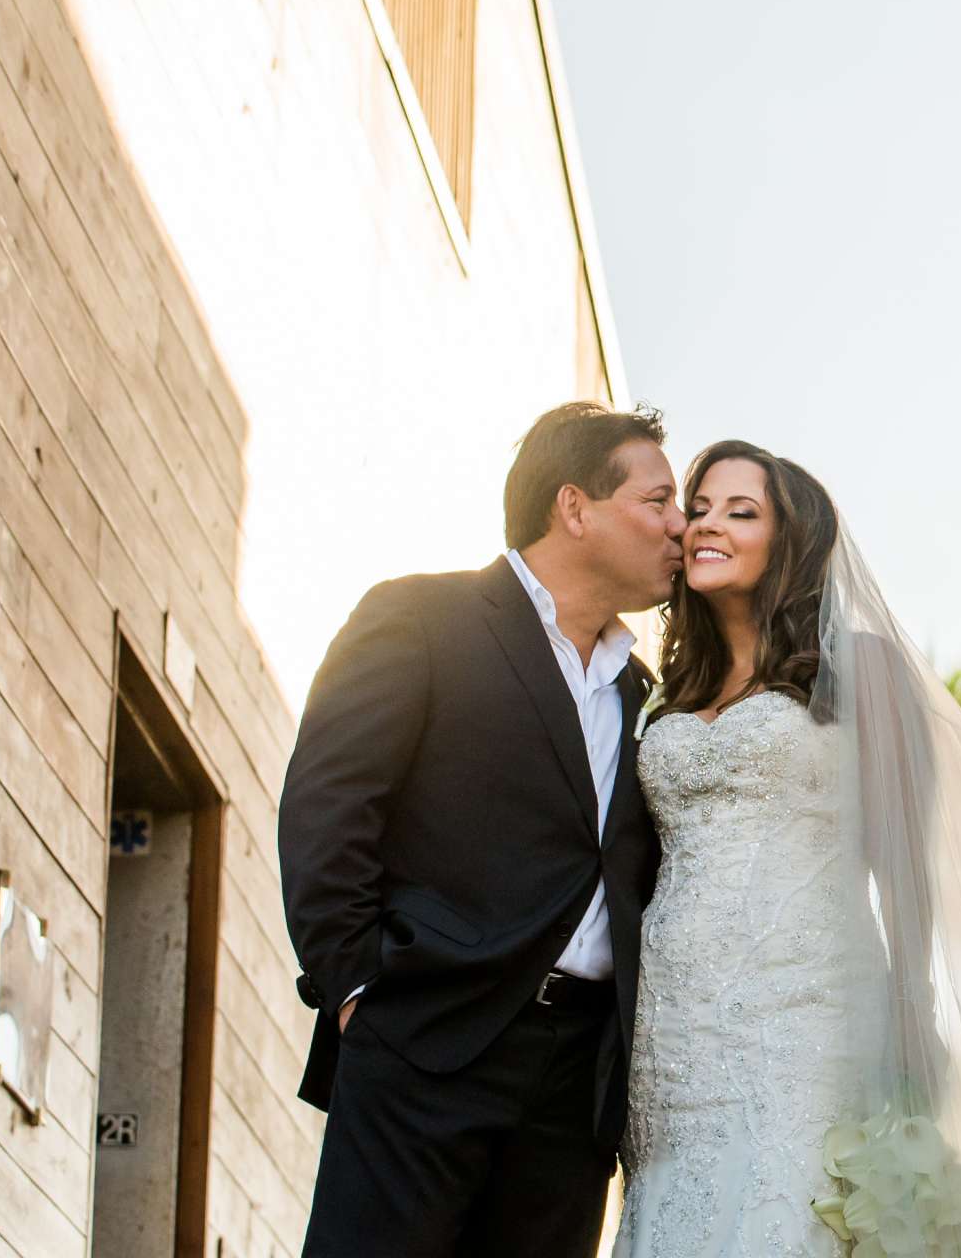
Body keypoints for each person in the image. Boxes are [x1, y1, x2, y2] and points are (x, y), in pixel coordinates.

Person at [613, 440, 961, 1258]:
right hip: (673, 1033)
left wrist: (912, 1011)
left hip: (813, 1016)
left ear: (790, 542)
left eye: (740, 511)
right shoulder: (669, 693)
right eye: (700, 506)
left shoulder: (863, 670)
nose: (705, 525)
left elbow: (906, 864)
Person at [278, 401, 684, 1258]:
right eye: (658, 502)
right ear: (575, 507)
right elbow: (328, 806)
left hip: (576, 1092)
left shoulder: (642, 695)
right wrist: (357, 996)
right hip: (425, 1045)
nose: (681, 528)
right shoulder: (420, 618)